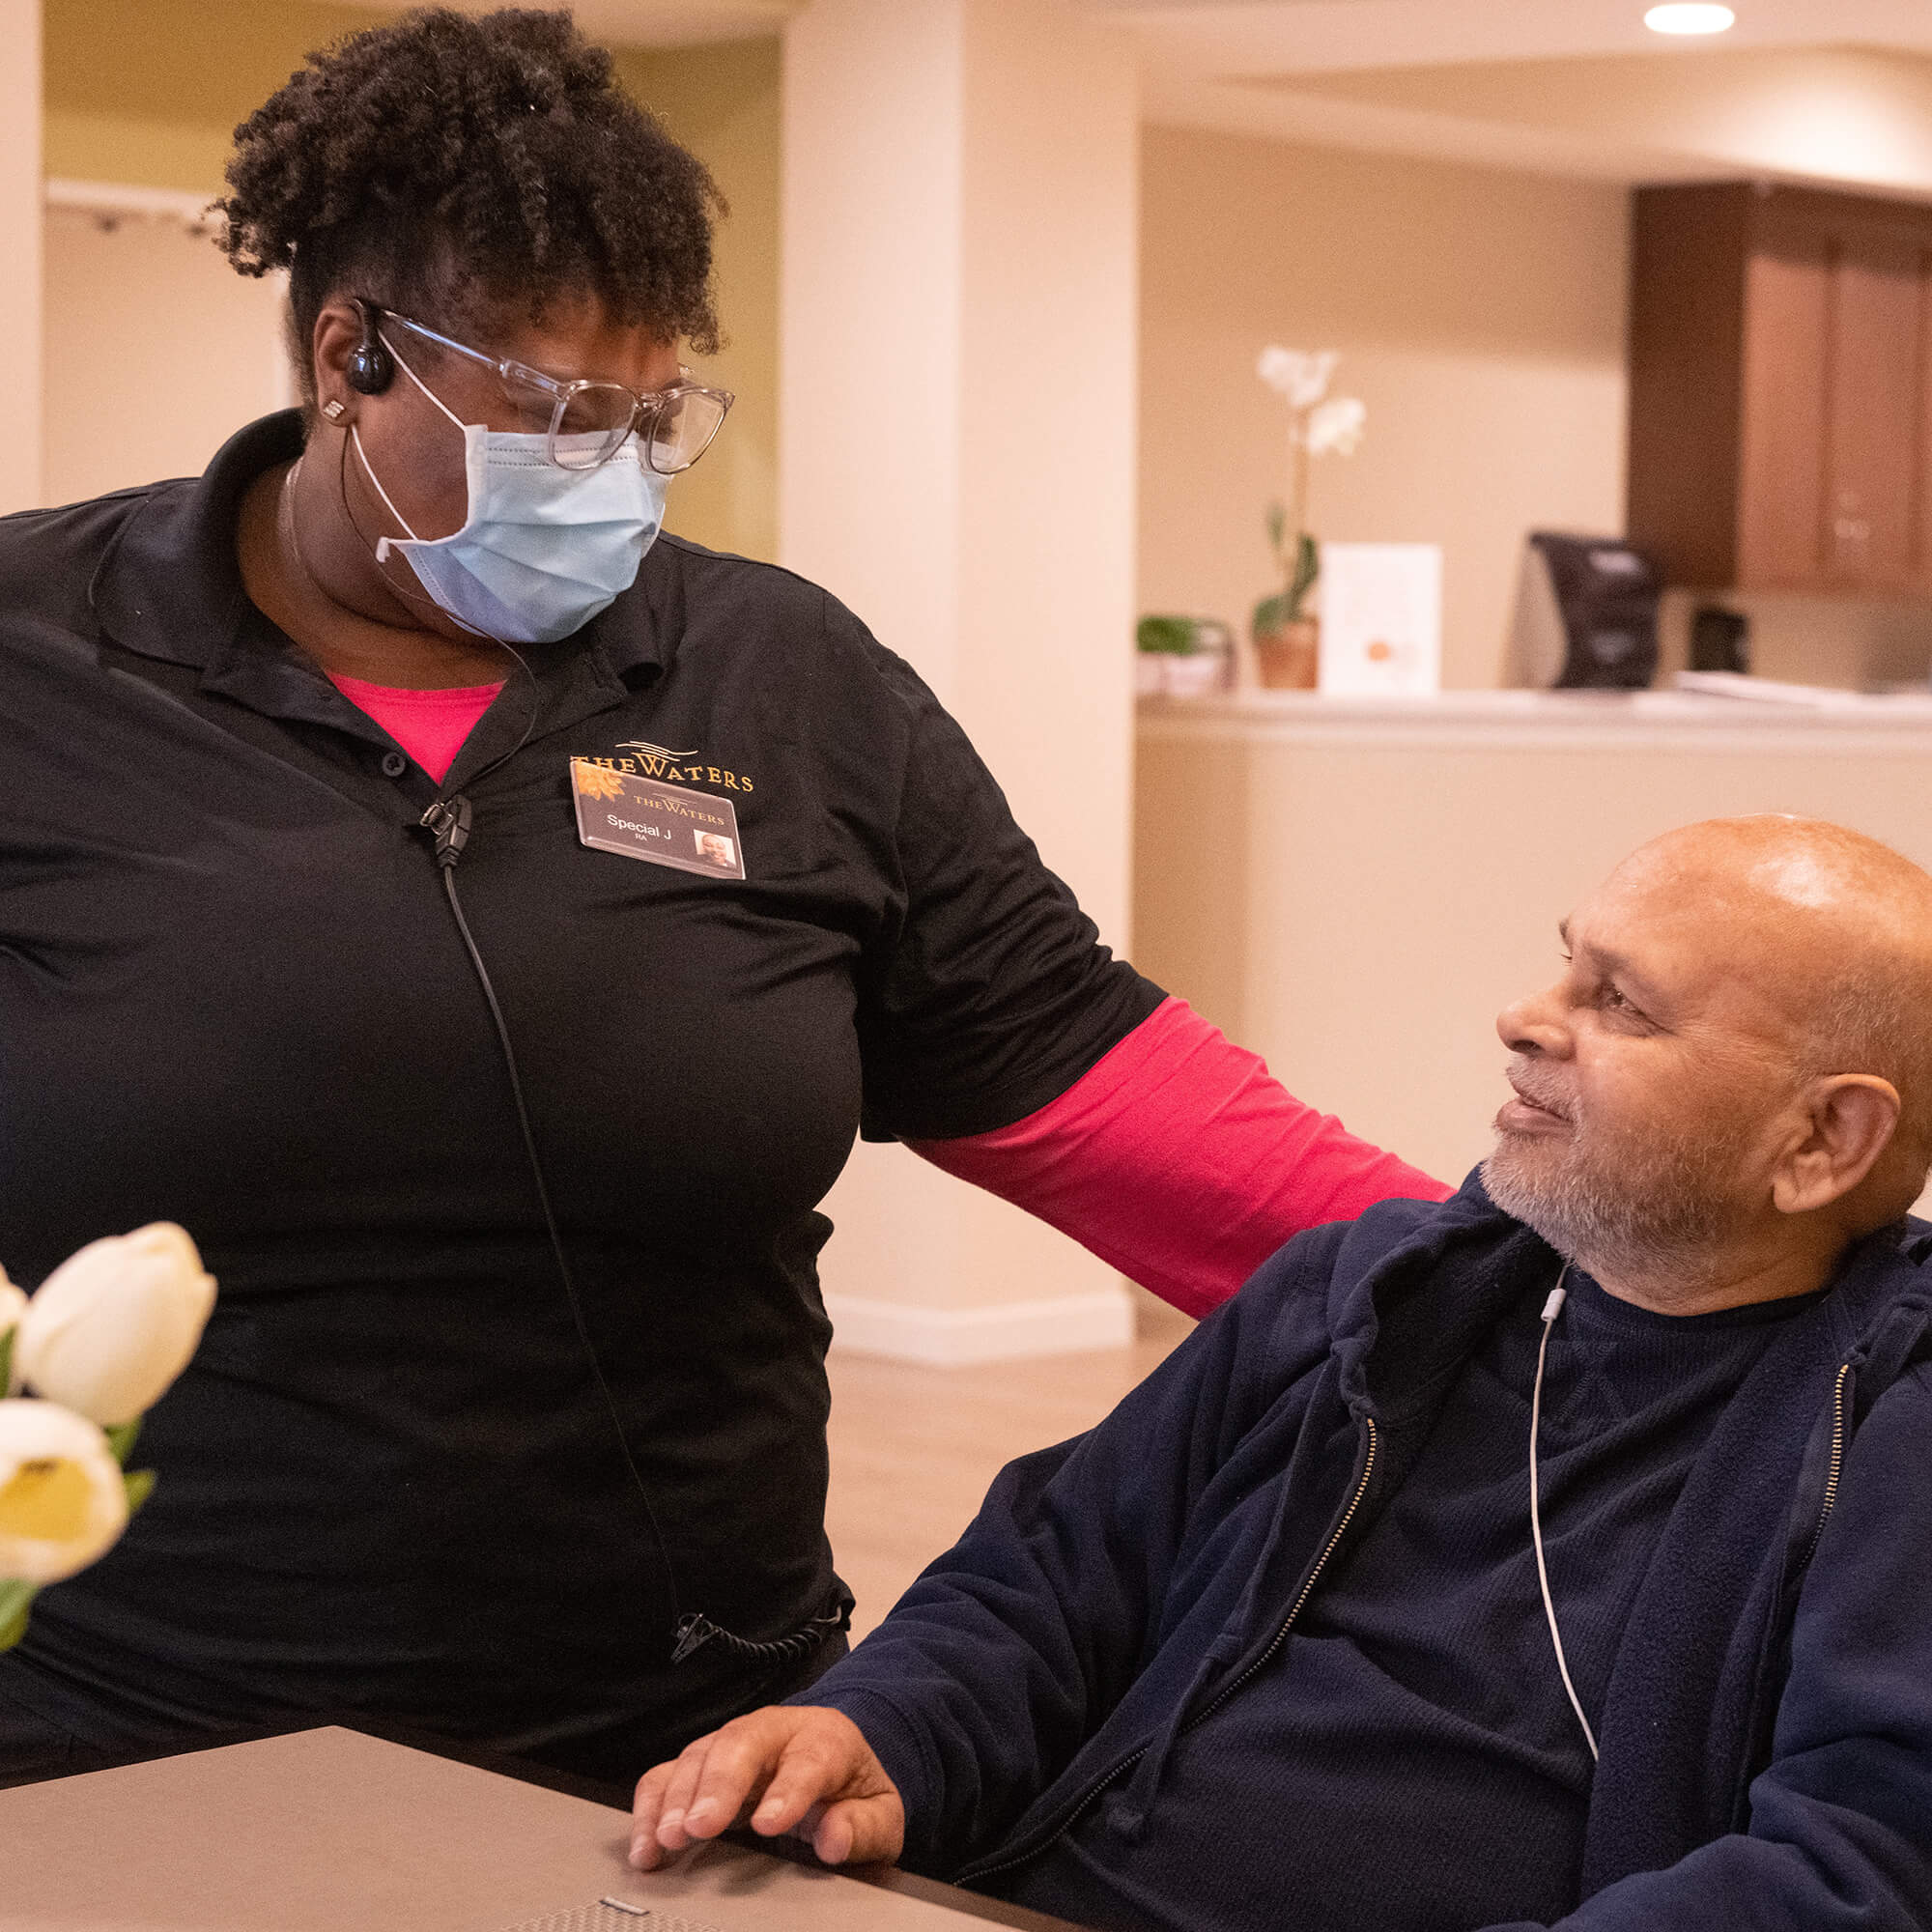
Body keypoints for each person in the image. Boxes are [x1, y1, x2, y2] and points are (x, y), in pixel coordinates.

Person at [0, 10, 1442, 1787]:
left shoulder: (778, 677)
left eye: (645, 417)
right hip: (127, 1750)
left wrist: (1544, 1289)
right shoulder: (35, 661)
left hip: (683, 1752)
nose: (601, 473)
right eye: (545, 413)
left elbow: (1108, 1095)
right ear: (346, 353)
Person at [632, 815, 1932, 1932]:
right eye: (1562, 966)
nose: (1526, 1020)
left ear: (1824, 1140)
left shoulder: (1892, 1429)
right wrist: (881, 1735)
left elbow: (1860, 1863)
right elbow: (1044, 1590)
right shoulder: (1357, 1289)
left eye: (1620, 1003)